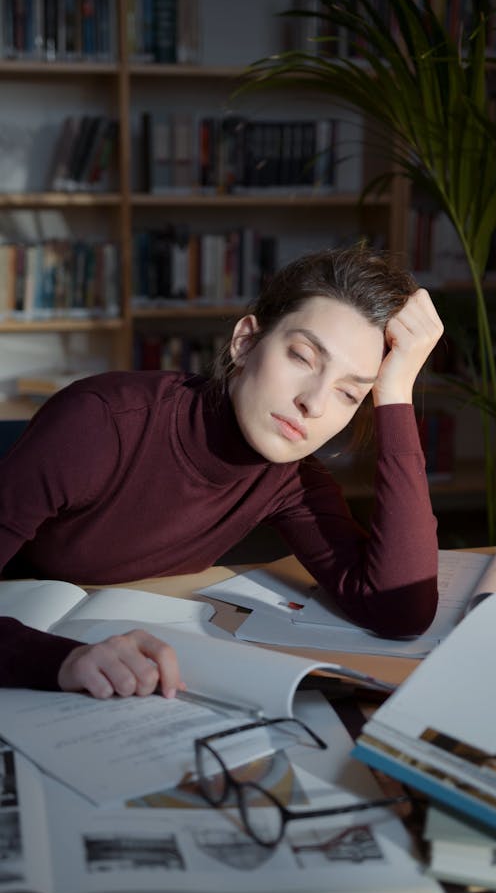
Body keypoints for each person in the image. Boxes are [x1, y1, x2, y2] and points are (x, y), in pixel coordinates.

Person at [0, 245, 444, 699]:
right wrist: (63, 660)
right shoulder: (98, 423)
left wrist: (395, 394)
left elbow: (400, 608)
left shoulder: (289, 477)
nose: (313, 403)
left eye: (349, 394)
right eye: (302, 357)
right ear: (246, 342)